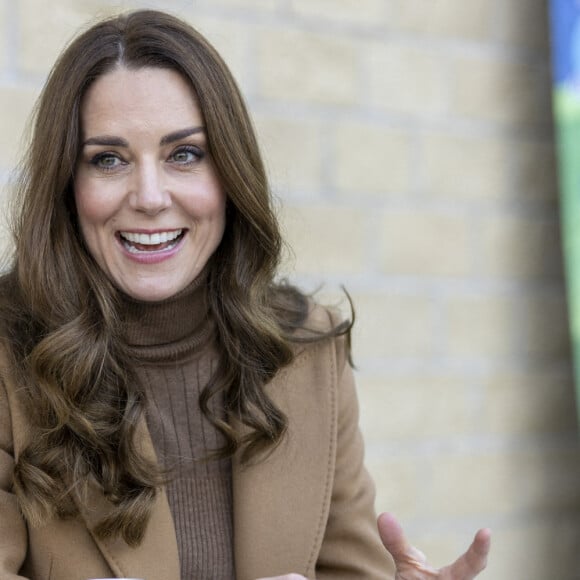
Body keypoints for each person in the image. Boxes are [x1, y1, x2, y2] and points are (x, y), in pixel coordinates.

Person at [0, 9, 490, 580]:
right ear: (67, 184)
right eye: (108, 159)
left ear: (230, 173)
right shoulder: (10, 351)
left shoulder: (307, 348)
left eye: (185, 153)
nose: (151, 196)